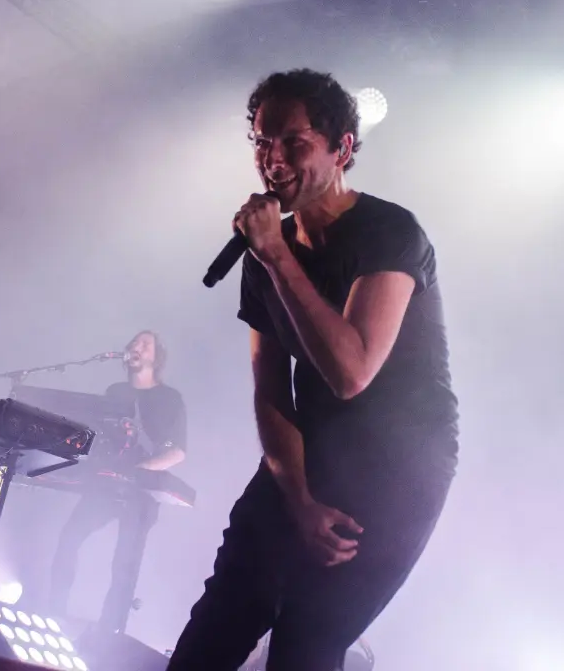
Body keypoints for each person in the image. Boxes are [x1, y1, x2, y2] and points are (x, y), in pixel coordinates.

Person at [166, 69, 459, 671]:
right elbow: (270, 389)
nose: (272, 160)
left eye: (292, 142)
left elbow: (351, 371)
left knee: (305, 645)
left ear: (341, 148)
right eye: (259, 142)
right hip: (309, 453)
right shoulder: (266, 253)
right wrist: (297, 497)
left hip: (398, 466)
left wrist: (275, 253)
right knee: (213, 631)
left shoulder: (388, 232)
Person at [47, 330, 187, 634]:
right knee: (69, 537)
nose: (136, 347)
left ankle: (110, 631)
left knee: (124, 564)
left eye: (144, 345)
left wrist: (141, 468)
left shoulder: (170, 398)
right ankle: (52, 611)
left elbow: (178, 451)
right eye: (133, 343)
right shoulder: (115, 391)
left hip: (140, 491)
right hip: (105, 484)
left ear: (156, 357)